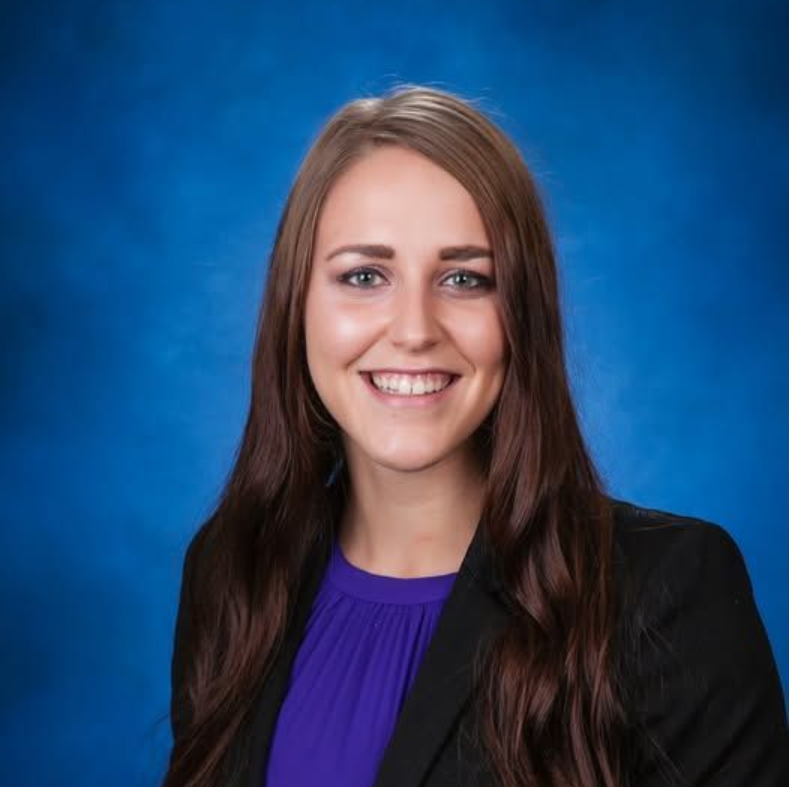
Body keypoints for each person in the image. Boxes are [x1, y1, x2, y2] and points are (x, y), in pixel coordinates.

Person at [162, 85, 788, 787]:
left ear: (521, 313)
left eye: (463, 278)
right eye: (364, 275)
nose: (412, 328)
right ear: (295, 307)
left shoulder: (665, 589)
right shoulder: (232, 570)